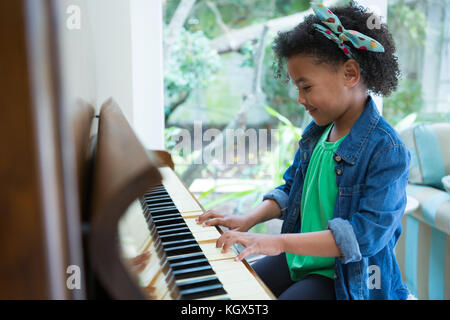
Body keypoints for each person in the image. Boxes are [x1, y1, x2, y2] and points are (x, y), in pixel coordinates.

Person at [196, 1, 411, 300]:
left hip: (344, 277)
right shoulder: (319, 132)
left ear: (350, 74)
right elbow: (290, 189)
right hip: (300, 259)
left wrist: (280, 242)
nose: (299, 98)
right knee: (236, 290)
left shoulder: (387, 150)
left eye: (306, 87)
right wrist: (248, 219)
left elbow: (364, 236)